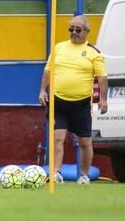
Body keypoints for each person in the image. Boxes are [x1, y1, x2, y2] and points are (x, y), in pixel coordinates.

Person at [38, 15, 108, 184]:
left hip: (81, 104)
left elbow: (102, 78)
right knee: (57, 138)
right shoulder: (59, 48)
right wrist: (42, 91)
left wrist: (103, 100)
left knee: (84, 142)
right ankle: (56, 173)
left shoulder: (94, 53)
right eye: (71, 29)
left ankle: (84, 175)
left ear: (87, 32)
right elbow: (48, 71)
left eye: (78, 29)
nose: (74, 32)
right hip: (58, 101)